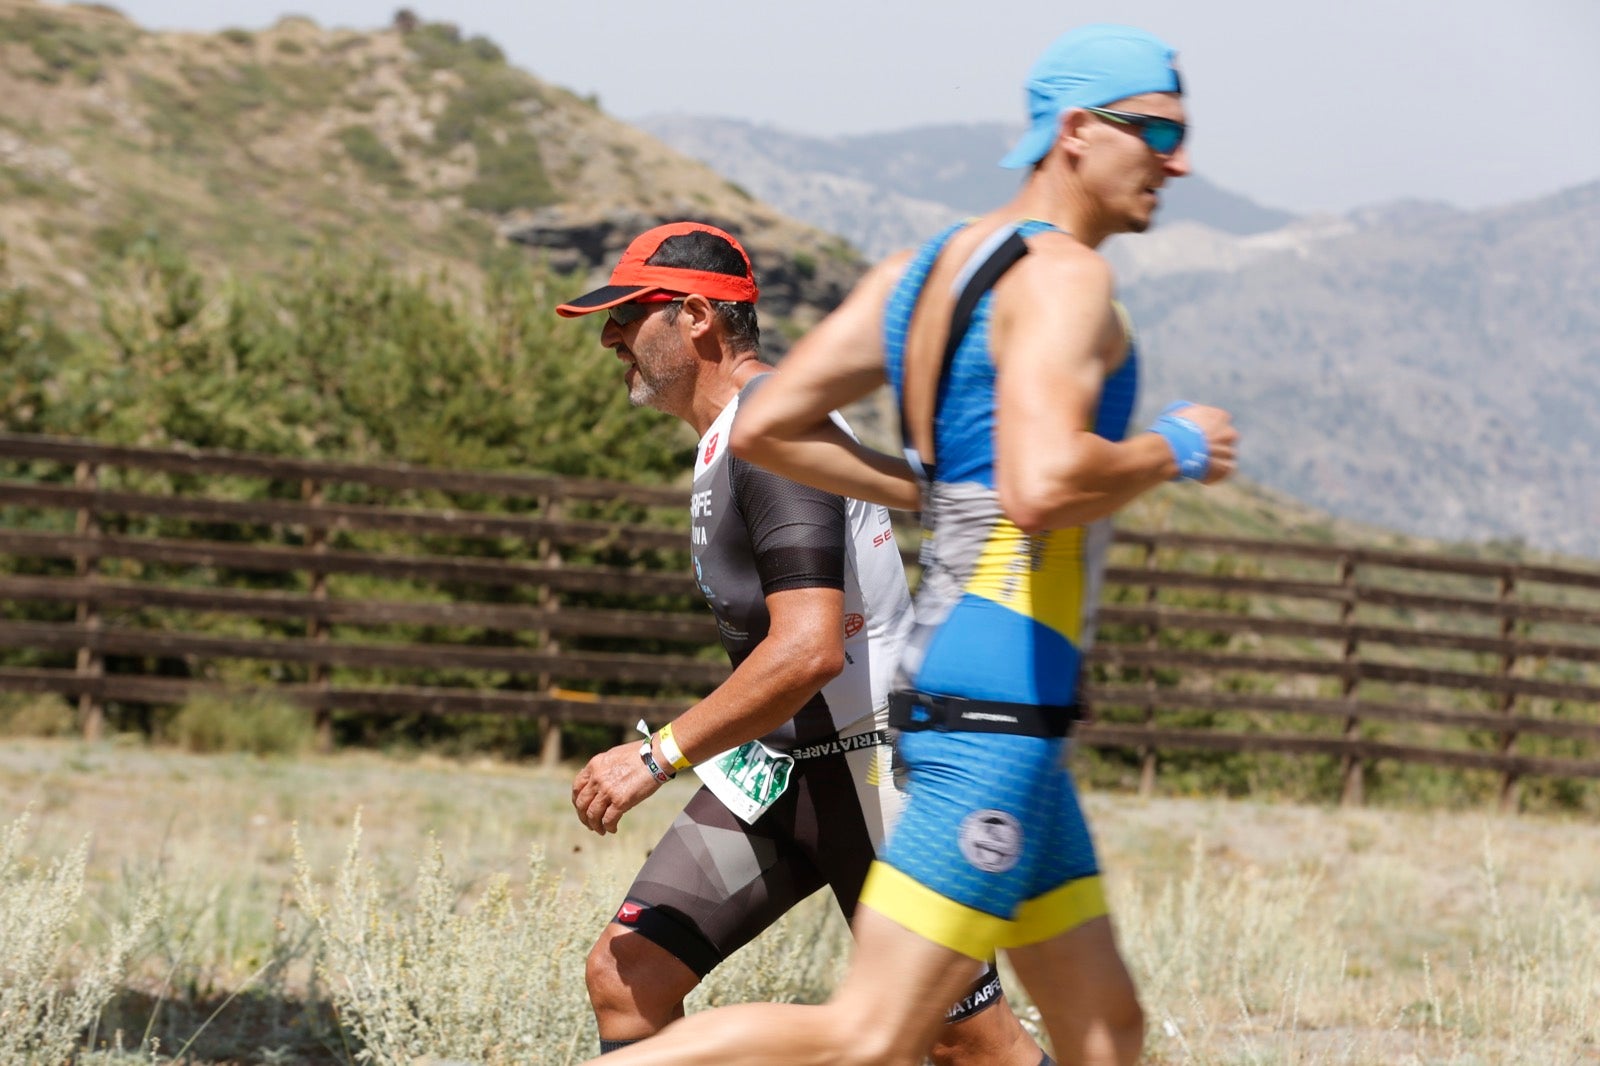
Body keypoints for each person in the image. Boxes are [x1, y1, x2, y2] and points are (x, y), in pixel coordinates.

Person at [589, 24, 1239, 1066]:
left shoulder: (923, 270)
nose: (1179, 159)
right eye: (1157, 130)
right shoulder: (1065, 277)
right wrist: (1171, 447)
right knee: (872, 1034)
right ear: (1075, 132)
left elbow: (769, 423)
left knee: (1103, 1032)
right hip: (997, 704)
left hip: (985, 702)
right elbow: (1042, 485)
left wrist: (929, 488)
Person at [558, 221, 1049, 1064]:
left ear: (696, 318)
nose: (610, 336)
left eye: (628, 315)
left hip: (874, 769)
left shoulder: (771, 433)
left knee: (967, 1042)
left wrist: (656, 756)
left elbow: (809, 648)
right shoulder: (734, 437)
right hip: (784, 770)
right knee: (628, 971)